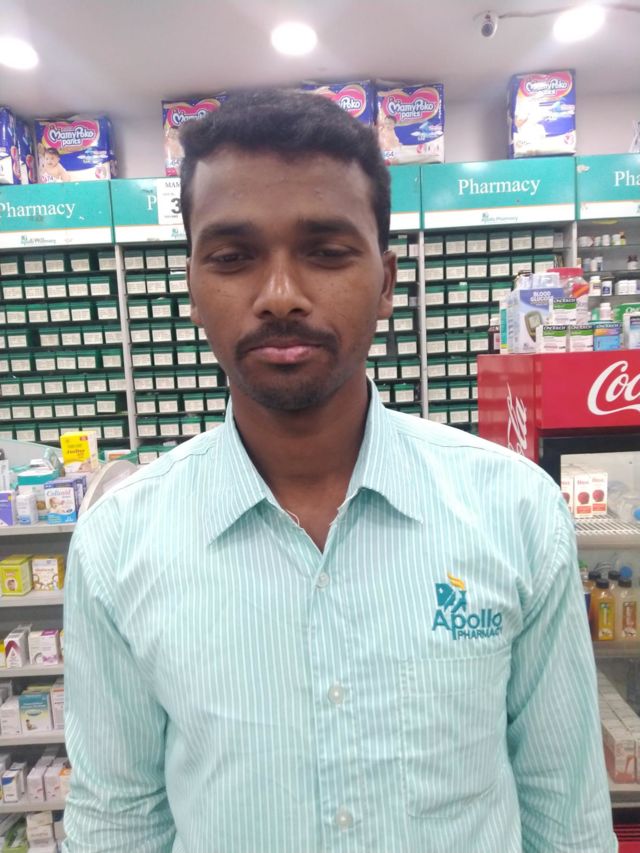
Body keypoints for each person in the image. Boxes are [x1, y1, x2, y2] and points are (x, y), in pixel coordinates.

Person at [62, 90, 616, 853]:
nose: (280, 296)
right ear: (191, 285)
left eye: (325, 251)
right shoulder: (118, 546)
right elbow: (118, 823)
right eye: (233, 257)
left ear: (386, 282)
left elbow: (566, 813)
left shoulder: (516, 510)